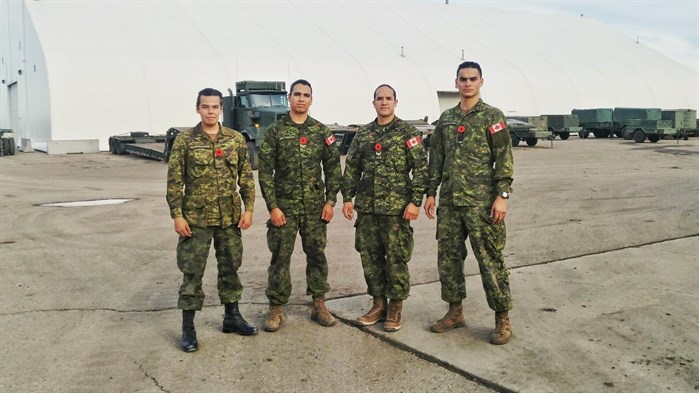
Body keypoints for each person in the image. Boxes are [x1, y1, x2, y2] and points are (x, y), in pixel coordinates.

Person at [424, 61, 515, 345]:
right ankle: (454, 312)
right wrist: (430, 192)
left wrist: (502, 196)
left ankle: (502, 319)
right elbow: (436, 157)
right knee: (448, 259)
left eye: (472, 79)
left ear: (481, 82)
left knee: (490, 260)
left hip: (482, 202)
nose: (467, 84)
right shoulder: (447, 118)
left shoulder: (492, 116)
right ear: (456, 83)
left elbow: (504, 157)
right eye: (463, 79)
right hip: (450, 202)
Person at [166, 88, 258, 353]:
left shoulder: (235, 140)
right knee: (192, 272)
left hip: (229, 218)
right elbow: (174, 182)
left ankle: (232, 317)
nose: (210, 112)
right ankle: (188, 328)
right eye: (205, 107)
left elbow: (245, 176)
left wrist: (249, 208)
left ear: (221, 110)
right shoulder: (184, 141)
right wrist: (177, 215)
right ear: (197, 108)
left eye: (215, 107)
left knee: (230, 267)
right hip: (196, 220)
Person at [341, 84, 428, 332]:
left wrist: (415, 201)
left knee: (396, 259)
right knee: (370, 258)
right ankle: (378, 304)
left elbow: (421, 168)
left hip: (397, 210)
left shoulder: (407, 133)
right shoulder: (364, 134)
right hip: (368, 209)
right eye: (380, 99)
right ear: (374, 103)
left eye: (388, 98)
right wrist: (348, 198)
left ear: (396, 102)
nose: (384, 102)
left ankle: (395, 307)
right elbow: (353, 168)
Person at [257, 79, 342, 332]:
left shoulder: (321, 132)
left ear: (311, 100)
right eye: (297, 94)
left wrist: (330, 201)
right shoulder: (275, 131)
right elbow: (265, 173)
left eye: (306, 95)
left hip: (315, 208)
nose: (301, 99)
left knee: (317, 255)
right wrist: (272, 207)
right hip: (284, 208)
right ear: (289, 98)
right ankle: (275, 308)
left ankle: (319, 304)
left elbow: (333, 169)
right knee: (280, 258)